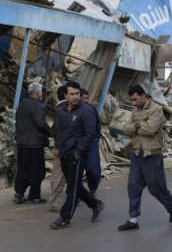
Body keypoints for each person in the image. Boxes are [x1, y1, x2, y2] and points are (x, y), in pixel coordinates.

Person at [118, 85, 172, 231]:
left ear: (143, 96)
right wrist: (139, 124)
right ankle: (133, 220)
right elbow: (126, 129)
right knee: (133, 187)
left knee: (156, 188)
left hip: (152, 154)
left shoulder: (156, 109)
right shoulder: (135, 112)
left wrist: (138, 126)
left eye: (135, 99)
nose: (133, 103)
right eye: (131, 100)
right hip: (137, 153)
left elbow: (151, 129)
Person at [50, 81, 104, 230]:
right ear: (65, 95)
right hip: (64, 153)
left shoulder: (86, 110)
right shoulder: (60, 110)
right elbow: (59, 131)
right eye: (72, 94)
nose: (75, 97)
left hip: (77, 155)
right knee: (76, 186)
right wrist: (56, 147)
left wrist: (78, 152)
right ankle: (95, 204)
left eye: (77, 94)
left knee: (72, 188)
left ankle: (64, 217)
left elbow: (90, 133)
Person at [14, 83, 50, 204]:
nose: (42, 94)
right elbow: (41, 123)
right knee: (37, 170)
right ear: (37, 93)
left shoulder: (21, 105)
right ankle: (34, 195)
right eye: (41, 92)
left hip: (22, 143)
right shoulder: (38, 106)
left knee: (23, 169)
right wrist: (50, 132)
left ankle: (19, 193)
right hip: (35, 144)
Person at [48, 86, 68, 213]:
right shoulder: (65, 108)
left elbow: (55, 130)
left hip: (63, 147)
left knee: (59, 175)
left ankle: (57, 203)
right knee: (61, 175)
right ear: (66, 95)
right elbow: (59, 129)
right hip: (66, 147)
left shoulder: (60, 108)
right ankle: (57, 203)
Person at [80, 88, 102, 197]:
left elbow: (98, 123)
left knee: (93, 169)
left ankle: (92, 189)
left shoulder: (92, 109)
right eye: (83, 98)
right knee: (77, 171)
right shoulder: (73, 110)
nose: (85, 100)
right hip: (78, 143)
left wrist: (96, 138)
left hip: (91, 143)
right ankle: (79, 193)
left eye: (87, 98)